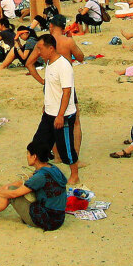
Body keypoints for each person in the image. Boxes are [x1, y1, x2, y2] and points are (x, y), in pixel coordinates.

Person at [0, 141, 68, 230]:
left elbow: (14, 194)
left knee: (9, 194)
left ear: (34, 156)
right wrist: (4, 188)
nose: (27, 156)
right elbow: (26, 180)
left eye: (28, 153)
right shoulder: (51, 168)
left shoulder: (40, 176)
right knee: (9, 189)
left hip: (48, 220)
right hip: (58, 217)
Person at [29, 34, 80, 185]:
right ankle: (42, 172)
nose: (38, 52)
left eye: (40, 48)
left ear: (50, 48)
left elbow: (67, 92)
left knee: (66, 148)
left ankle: (75, 175)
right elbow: (51, 87)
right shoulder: (49, 63)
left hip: (62, 114)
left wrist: (60, 115)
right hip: (49, 112)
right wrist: (47, 104)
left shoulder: (63, 66)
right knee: (39, 143)